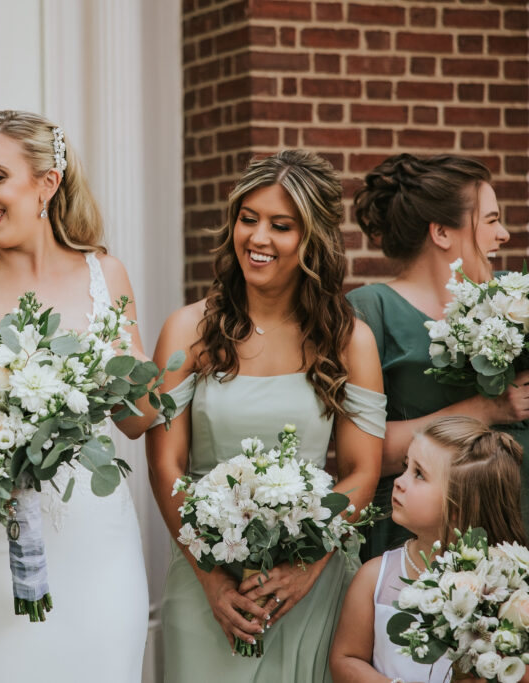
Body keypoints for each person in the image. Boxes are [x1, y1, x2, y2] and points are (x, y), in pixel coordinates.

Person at [0, 110, 150, 682]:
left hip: (96, 547)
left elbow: (138, 421)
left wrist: (110, 375)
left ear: (48, 182)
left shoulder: (105, 275)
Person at [145, 150, 386, 682]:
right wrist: (211, 578)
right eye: (248, 218)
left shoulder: (349, 340)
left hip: (310, 582)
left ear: (313, 239)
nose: (257, 238)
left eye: (281, 226)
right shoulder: (190, 330)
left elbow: (362, 470)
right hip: (203, 575)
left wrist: (307, 567)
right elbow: (167, 464)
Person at [347, 154, 529, 560]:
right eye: (490, 220)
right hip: (417, 544)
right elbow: (363, 458)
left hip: (516, 527)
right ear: (442, 232)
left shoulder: (514, 298)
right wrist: (485, 409)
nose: (503, 235)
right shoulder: (370, 310)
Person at [329, 416, 529, 683]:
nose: (399, 481)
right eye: (405, 466)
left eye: (419, 474)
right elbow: (345, 659)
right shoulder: (374, 577)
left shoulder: (508, 595)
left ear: (456, 509)